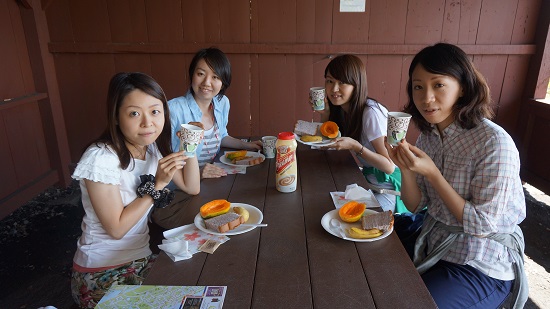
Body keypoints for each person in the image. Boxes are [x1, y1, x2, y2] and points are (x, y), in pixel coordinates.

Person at [386, 43, 527, 308]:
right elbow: (416, 204)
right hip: (435, 243)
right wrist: (404, 168)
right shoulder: (430, 136)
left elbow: (482, 226)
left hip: (480, 263)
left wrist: (434, 174)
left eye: (438, 85)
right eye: (418, 86)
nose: (426, 98)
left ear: (462, 86)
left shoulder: (494, 143)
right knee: (368, 252)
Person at [70, 72, 201, 308]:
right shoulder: (101, 159)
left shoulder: (150, 149)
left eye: (154, 111)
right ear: (117, 117)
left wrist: (189, 146)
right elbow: (116, 229)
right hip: (101, 272)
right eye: (134, 113)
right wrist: (157, 185)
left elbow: (192, 187)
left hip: (140, 259)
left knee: (200, 283)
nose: (147, 123)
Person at [314, 54, 406, 213]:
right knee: (323, 202)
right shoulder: (343, 109)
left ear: (356, 84)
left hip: (391, 189)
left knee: (352, 217)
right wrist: (325, 113)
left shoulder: (370, 113)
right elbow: (326, 145)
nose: (334, 89)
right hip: (368, 182)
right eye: (330, 81)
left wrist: (357, 147)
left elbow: (389, 166)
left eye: (342, 82)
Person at [168, 47, 261, 178]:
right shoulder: (173, 109)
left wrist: (246, 145)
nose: (206, 82)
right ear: (192, 75)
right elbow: (159, 159)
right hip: (181, 187)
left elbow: (221, 136)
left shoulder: (222, 102)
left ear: (223, 83)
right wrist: (198, 173)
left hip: (214, 177)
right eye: (200, 74)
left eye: (215, 77)